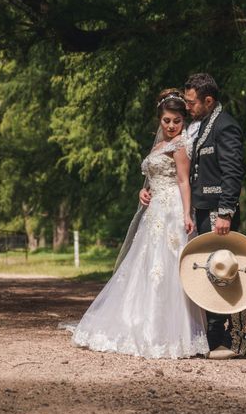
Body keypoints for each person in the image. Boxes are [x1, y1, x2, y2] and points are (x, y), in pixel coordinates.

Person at [68, 89, 209, 359]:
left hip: (171, 211)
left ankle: (172, 331)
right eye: (166, 120)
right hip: (154, 210)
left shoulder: (180, 145)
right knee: (146, 264)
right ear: (159, 119)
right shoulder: (158, 146)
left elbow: (183, 181)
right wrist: (143, 192)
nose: (170, 126)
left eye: (176, 121)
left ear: (183, 121)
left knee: (167, 265)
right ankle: (141, 321)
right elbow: (153, 177)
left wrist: (187, 214)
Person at [184, 73, 246, 358]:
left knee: (227, 271)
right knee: (209, 272)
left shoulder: (226, 127)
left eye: (192, 102)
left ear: (208, 100)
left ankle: (237, 339)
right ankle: (215, 336)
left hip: (218, 214)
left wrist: (225, 212)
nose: (188, 107)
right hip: (202, 210)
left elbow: (233, 172)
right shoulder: (201, 126)